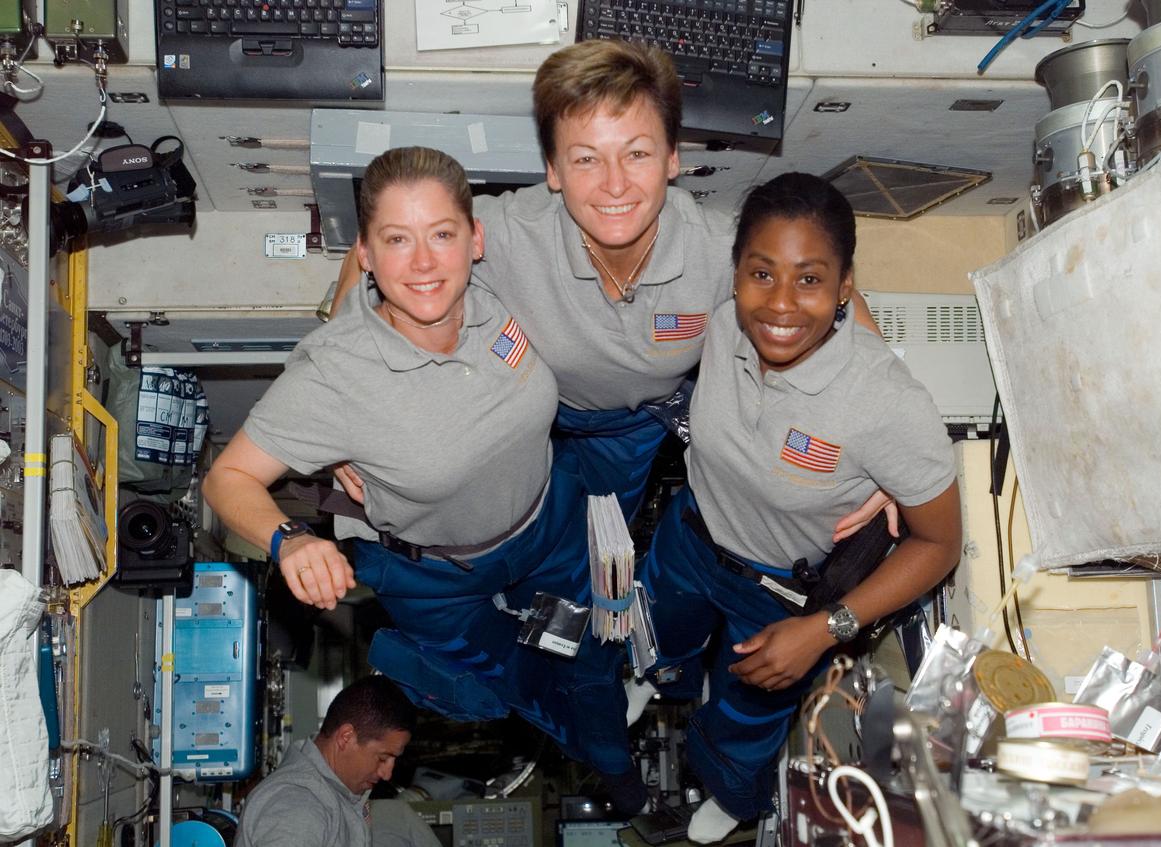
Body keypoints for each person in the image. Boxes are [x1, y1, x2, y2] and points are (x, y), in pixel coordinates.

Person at [203, 146, 643, 812]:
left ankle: (616, 769)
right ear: (370, 254)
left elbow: (613, 192)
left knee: (592, 655)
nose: (425, 263)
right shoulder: (337, 375)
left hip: (543, 525)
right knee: (506, 691)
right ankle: (421, 660)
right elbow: (226, 477)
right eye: (396, 241)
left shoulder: (502, 284)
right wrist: (289, 540)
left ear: (476, 240)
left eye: (442, 234)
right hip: (437, 573)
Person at [332, 40, 888, 532]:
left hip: (630, 421)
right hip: (518, 398)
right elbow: (374, 253)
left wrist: (886, 448)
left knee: (601, 534)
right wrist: (347, 410)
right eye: (586, 159)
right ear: (552, 170)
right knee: (502, 515)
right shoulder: (504, 231)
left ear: (672, 158)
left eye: (637, 153)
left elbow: (836, 301)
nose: (615, 184)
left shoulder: (721, 250)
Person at [637, 173, 964, 842]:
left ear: (845, 286)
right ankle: (652, 677)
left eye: (810, 280)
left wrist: (826, 629)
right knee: (655, 628)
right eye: (762, 273)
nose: (780, 304)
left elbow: (940, 545)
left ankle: (731, 790)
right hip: (694, 535)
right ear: (734, 273)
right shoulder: (723, 317)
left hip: (780, 589)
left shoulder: (885, 402)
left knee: (749, 708)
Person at [235, 675, 415, 847]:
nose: (387, 774)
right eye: (383, 758)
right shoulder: (299, 805)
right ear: (346, 737)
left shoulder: (335, 795)